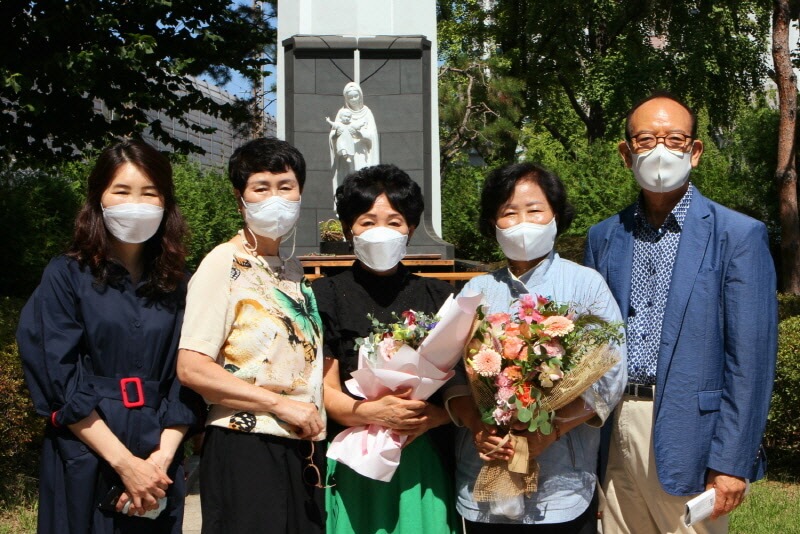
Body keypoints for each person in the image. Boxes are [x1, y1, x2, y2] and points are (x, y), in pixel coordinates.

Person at [584, 92, 777, 534]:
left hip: (692, 434)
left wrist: (732, 462)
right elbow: (592, 343)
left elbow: (751, 363)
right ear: (626, 153)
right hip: (613, 426)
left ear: (695, 151)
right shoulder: (604, 236)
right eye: (646, 139)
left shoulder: (738, 236)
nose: (660, 151)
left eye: (674, 139)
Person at [17, 140, 200, 534]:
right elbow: (55, 376)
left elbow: (188, 378)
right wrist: (124, 463)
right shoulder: (66, 276)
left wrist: (158, 462)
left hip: (158, 458)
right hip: (87, 449)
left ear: (166, 202)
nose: (136, 203)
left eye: (149, 193)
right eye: (121, 191)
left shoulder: (181, 284)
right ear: (98, 198)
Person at [444, 162, 626, 532]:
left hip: (561, 480)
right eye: (509, 213)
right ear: (493, 223)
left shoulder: (585, 285)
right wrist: (477, 424)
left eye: (535, 210)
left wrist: (551, 430)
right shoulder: (476, 290)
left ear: (556, 215)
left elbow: (610, 374)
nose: (523, 222)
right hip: (484, 473)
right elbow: (448, 370)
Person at [176, 138, 326, 534]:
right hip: (246, 445)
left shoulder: (293, 270)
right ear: (240, 198)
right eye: (261, 187)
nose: (275, 198)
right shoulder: (222, 263)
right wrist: (280, 405)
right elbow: (192, 367)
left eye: (285, 186)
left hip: (301, 447)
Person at [312, 164, 459, 534]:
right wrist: (371, 412)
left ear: (411, 228)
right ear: (348, 229)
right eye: (367, 222)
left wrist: (434, 417)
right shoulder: (325, 295)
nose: (381, 232)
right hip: (353, 457)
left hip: (424, 458)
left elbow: (462, 388)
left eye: (394, 222)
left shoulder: (439, 296)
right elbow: (325, 389)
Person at [328, 82, 380, 198]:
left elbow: (373, 135)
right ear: (346, 98)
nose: (353, 99)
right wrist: (336, 135)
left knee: (362, 182)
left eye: (355, 96)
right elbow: (333, 133)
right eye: (350, 97)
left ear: (360, 95)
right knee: (349, 182)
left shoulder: (367, 112)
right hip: (346, 154)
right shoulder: (342, 113)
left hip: (362, 153)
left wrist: (359, 134)